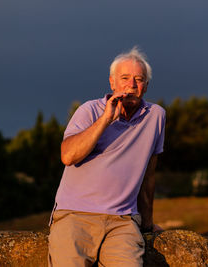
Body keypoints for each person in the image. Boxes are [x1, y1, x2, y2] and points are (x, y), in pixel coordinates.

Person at [48, 47, 165, 267]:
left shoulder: (156, 116)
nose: (131, 85)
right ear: (112, 83)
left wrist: (147, 225)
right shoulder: (89, 110)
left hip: (122, 222)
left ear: (146, 86)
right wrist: (106, 120)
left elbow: (148, 176)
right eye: (125, 78)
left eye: (139, 79)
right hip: (75, 216)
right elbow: (68, 156)